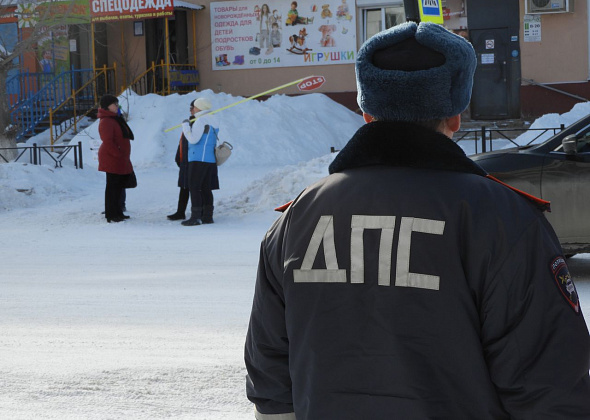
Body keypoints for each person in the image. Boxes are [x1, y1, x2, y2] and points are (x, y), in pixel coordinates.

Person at [244, 22, 590, 419]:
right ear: (456, 116)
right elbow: (550, 384)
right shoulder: (502, 218)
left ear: (366, 111)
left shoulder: (299, 218)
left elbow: (270, 381)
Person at [180, 98, 219, 226]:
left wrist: (186, 126)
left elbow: (193, 139)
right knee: (206, 188)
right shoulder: (213, 119)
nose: (193, 109)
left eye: (195, 107)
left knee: (194, 187)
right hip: (210, 159)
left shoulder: (201, 120)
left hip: (197, 158)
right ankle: (208, 216)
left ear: (200, 108)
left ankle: (195, 217)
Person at [97, 94, 134, 223]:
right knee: (112, 187)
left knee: (118, 186)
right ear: (107, 106)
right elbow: (108, 141)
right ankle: (111, 214)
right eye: (115, 104)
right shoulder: (106, 120)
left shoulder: (115, 118)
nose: (117, 106)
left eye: (117, 104)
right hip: (112, 158)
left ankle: (118, 211)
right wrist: (118, 154)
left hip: (119, 158)